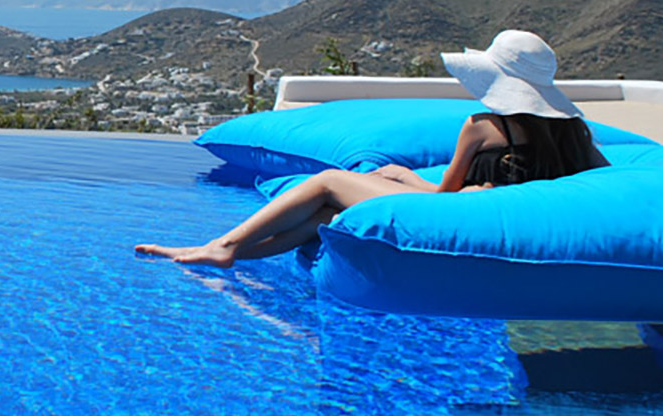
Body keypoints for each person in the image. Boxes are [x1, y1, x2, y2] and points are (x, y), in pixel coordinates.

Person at [134, 29, 609, 267]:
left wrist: (426, 187)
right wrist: (405, 180)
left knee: (325, 184)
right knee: (351, 202)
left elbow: (446, 197)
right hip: (495, 213)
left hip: (457, 215)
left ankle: (225, 244)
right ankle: (232, 256)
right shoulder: (575, 134)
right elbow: (595, 180)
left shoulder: (482, 126)